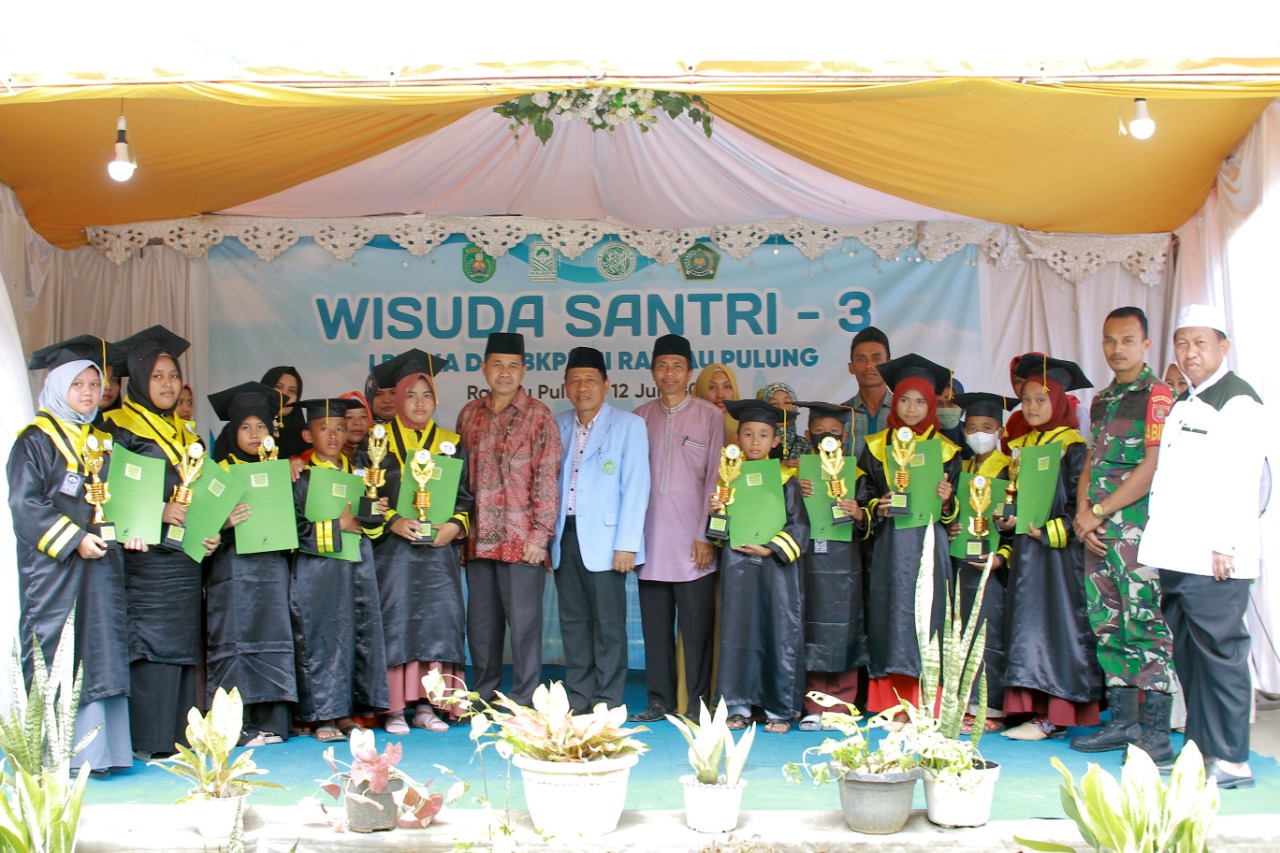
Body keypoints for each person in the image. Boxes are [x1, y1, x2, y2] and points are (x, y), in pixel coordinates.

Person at [1139, 304, 1269, 789]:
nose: (1190, 353)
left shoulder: (1236, 402)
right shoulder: (1187, 401)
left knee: (1221, 653)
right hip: (1178, 555)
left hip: (1215, 557)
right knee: (1191, 656)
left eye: (1200, 343)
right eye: (1182, 343)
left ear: (1223, 347)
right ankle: (1200, 751)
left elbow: (1241, 480)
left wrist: (1225, 545)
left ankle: (1233, 759)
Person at [10, 335, 132, 774]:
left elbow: (120, 498)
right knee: (59, 650)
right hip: (56, 570)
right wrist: (74, 538)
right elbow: (26, 505)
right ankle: (55, 755)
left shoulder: (99, 439)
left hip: (100, 566)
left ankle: (103, 754)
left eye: (93, 385)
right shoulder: (35, 441)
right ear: (58, 387)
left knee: (100, 648)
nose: (87, 393)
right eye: (77, 384)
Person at [104, 325, 220, 758]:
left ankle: (176, 737)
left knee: (181, 642)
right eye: (157, 376)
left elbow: (200, 497)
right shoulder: (117, 428)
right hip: (144, 557)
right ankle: (147, 738)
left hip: (183, 557)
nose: (168, 384)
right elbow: (106, 492)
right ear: (137, 379)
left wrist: (208, 534)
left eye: (173, 375)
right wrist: (157, 511)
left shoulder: (186, 435)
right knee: (150, 644)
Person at [1070, 307, 1176, 762]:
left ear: (1146, 345)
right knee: (1108, 625)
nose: (1117, 349)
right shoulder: (1104, 400)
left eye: (1127, 340)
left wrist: (1099, 512)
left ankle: (1156, 734)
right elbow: (1093, 460)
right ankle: (1123, 722)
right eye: (1110, 340)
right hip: (1099, 530)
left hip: (1137, 531)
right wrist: (1081, 514)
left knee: (1146, 625)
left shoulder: (1158, 396)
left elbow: (1152, 468)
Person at [369, 349, 473, 733]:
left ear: (436, 400)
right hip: (393, 554)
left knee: (438, 622)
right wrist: (393, 521)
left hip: (436, 552)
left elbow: (465, 496)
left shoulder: (451, 443)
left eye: (426, 395)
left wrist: (455, 526)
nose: (419, 403)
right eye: (411, 395)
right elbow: (366, 497)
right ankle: (394, 707)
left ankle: (430, 706)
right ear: (397, 399)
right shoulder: (375, 442)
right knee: (396, 621)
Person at [999, 354, 1103, 741]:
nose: (1033, 407)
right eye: (1026, 400)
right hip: (1028, 551)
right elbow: (1014, 498)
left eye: (1041, 399)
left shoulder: (1075, 447)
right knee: (1029, 626)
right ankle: (1033, 709)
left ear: (1059, 400)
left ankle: (1060, 712)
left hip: (1060, 555)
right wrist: (1006, 519)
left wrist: (1054, 531)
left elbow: (1083, 506)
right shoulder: (1019, 446)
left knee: (1059, 627)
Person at [456, 332, 562, 707]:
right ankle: (483, 695)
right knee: (481, 627)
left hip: (522, 542)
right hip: (479, 540)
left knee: (524, 626)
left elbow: (548, 479)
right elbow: (459, 482)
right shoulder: (469, 415)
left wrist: (540, 535)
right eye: (497, 364)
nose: (504, 373)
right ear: (484, 368)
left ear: (524, 370)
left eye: (512, 366)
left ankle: (524, 698)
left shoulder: (539, 416)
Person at [854, 354, 960, 715]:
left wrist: (949, 502)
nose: (911, 409)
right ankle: (889, 703)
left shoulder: (947, 451)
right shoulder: (874, 448)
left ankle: (927, 703)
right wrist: (876, 507)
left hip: (930, 546)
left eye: (920, 401)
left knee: (928, 617)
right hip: (889, 545)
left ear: (931, 404)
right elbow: (862, 497)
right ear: (893, 401)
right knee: (889, 616)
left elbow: (956, 511)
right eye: (904, 400)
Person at [630, 334, 722, 723]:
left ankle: (698, 704)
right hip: (650, 542)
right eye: (662, 365)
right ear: (653, 371)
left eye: (677, 366)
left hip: (693, 543)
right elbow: (632, 483)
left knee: (697, 630)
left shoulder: (710, 416)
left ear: (689, 372)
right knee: (655, 630)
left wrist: (706, 536)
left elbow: (718, 479)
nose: (669, 373)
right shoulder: (639, 417)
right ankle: (659, 700)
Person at [552, 347, 650, 712]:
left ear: (607, 385)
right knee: (573, 623)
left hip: (609, 542)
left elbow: (636, 487)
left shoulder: (629, 426)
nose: (583, 387)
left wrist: (627, 545)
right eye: (575, 380)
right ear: (565, 386)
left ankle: (607, 701)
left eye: (590, 379)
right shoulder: (557, 423)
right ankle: (579, 698)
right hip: (565, 536)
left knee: (609, 625)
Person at [291, 397, 390, 743]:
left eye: (339, 427)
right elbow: (296, 533)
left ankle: (347, 712)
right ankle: (321, 715)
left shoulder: (360, 474)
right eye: (323, 428)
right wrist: (339, 525)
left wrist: (375, 514)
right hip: (317, 573)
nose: (332, 435)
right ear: (308, 435)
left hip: (357, 569)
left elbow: (371, 531)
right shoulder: (301, 476)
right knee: (322, 641)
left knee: (355, 638)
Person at [206, 381, 297, 746]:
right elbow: (201, 529)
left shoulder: (283, 470)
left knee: (274, 636)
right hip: (232, 571)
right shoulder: (216, 472)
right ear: (233, 431)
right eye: (245, 427)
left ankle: (273, 721)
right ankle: (235, 725)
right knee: (235, 642)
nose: (255, 434)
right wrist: (223, 522)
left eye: (261, 427)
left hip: (273, 569)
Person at [713, 399, 810, 733]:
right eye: (749, 433)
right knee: (738, 632)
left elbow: (800, 527)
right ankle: (738, 705)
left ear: (776, 441)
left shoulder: (786, 478)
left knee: (777, 632)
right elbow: (716, 534)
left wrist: (771, 549)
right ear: (737, 437)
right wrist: (718, 512)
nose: (755, 441)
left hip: (776, 572)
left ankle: (778, 708)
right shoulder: (728, 479)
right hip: (738, 564)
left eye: (763, 435)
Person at [793, 401, 868, 731]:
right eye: (820, 432)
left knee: (843, 626)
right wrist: (795, 489)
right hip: (806, 559)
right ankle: (812, 704)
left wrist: (858, 512)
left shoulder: (858, 474)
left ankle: (841, 704)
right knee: (809, 627)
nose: (827, 438)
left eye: (834, 432)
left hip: (843, 562)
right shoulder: (794, 473)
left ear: (846, 436)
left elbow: (871, 523)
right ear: (808, 435)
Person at [950, 391, 1018, 733]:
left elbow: (1016, 525)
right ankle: (962, 704)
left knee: (988, 631)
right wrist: (951, 527)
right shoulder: (958, 469)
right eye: (972, 427)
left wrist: (1001, 558)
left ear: (1000, 432)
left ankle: (990, 708)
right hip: (961, 563)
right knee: (961, 630)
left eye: (987, 427)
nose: (979, 434)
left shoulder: (1009, 469)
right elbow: (950, 515)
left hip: (992, 567)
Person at [841, 326, 893, 457]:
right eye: (861, 359)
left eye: (876, 358)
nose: (869, 365)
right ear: (851, 367)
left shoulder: (906, 412)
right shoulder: (840, 415)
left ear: (890, 364)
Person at [756, 381, 811, 464]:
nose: (781, 408)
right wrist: (780, 465)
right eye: (773, 403)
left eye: (787, 402)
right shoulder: (755, 445)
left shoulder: (806, 446)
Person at [259, 366, 308, 459]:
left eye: (292, 390)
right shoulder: (242, 430)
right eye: (279, 387)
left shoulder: (305, 437)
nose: (285, 395)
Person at [693, 362, 740, 443]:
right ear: (701, 390)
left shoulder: (746, 429)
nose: (720, 395)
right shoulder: (687, 427)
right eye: (711, 387)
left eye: (727, 386)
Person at [340, 390, 371, 460]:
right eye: (349, 417)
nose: (357, 422)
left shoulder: (381, 453)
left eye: (363, 416)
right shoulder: (324, 454)